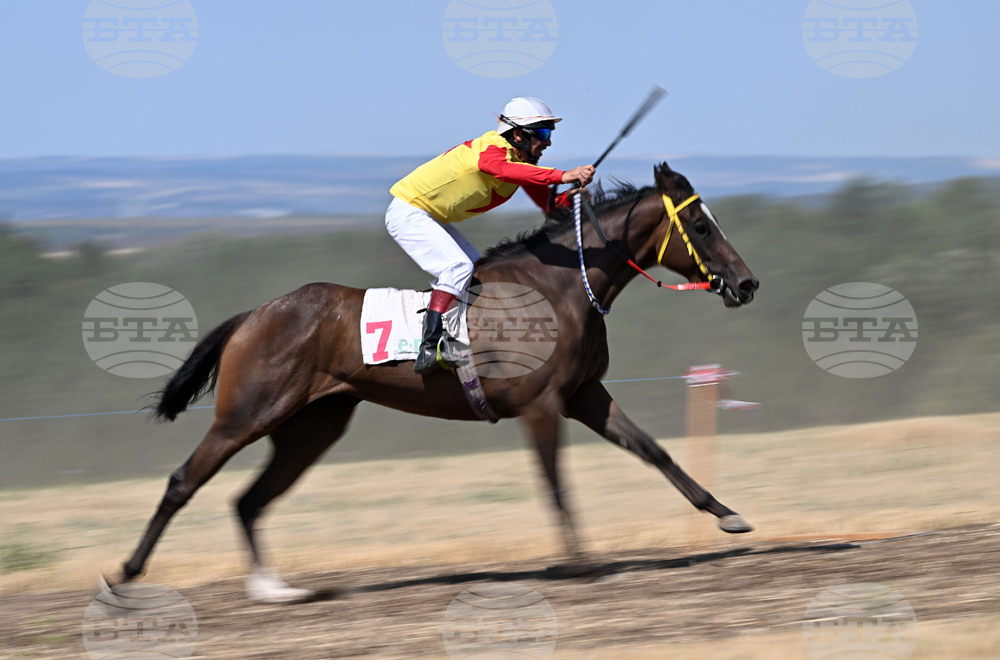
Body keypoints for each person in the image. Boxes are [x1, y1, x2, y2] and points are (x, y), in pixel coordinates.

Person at [385, 97, 595, 374]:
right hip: (409, 212)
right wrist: (563, 175)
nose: (548, 143)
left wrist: (574, 198)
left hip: (432, 217)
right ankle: (430, 346)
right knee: (457, 267)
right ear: (517, 134)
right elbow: (499, 169)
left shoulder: (520, 164)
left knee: (481, 273)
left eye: (550, 134)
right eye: (542, 134)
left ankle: (459, 336)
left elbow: (550, 206)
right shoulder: (493, 148)